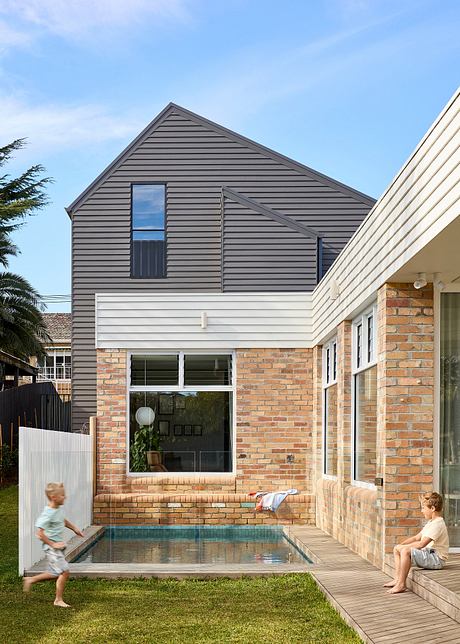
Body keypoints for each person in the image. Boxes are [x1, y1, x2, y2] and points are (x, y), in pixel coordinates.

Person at [23, 482, 84, 607]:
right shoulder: (48, 513)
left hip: (58, 546)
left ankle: (31, 579)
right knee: (64, 571)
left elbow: (63, 520)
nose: (65, 497)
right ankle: (58, 600)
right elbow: (39, 534)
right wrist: (52, 544)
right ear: (53, 497)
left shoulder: (58, 509)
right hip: (52, 548)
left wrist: (74, 529)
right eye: (62, 495)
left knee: (55, 572)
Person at [384, 491, 449, 594]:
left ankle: (401, 584)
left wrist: (405, 548)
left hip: (437, 559)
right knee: (398, 548)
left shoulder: (438, 524)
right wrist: (401, 545)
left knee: (405, 551)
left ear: (432, 509)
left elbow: (421, 544)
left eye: (423, 508)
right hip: (429, 554)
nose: (422, 511)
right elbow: (416, 538)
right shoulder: (431, 523)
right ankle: (397, 579)